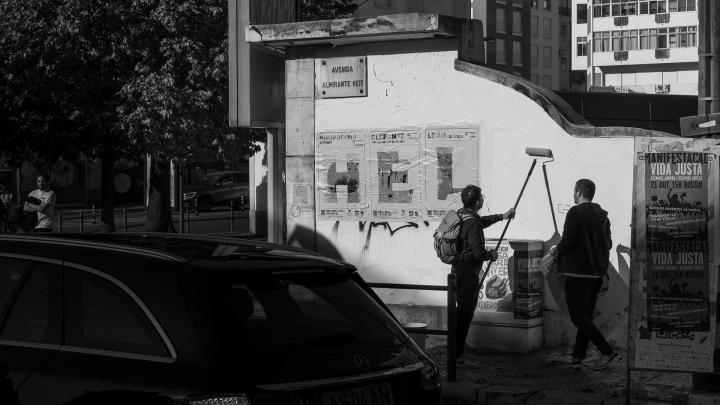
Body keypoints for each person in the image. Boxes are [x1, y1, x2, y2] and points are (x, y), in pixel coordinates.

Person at [550, 179, 618, 370]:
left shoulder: (575, 212)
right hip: (596, 274)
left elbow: (569, 240)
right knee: (586, 317)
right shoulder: (604, 217)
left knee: (578, 317)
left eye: (574, 191)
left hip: (576, 272)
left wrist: (554, 251)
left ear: (579, 192)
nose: (573, 194)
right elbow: (609, 244)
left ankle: (607, 351)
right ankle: (578, 357)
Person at [452, 184, 515, 364]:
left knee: (459, 312)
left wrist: (502, 217)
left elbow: (480, 222)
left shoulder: (461, 215)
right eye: (482, 197)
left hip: (456, 270)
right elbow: (479, 253)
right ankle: (456, 355)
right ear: (478, 201)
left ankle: (454, 350)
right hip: (468, 273)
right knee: (465, 314)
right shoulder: (472, 222)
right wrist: (491, 255)